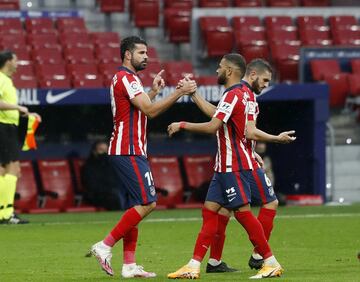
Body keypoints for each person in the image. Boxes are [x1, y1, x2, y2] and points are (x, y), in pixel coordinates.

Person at [167, 54, 296, 279]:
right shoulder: (244, 96)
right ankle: (194, 264)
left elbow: (213, 125)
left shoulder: (235, 94)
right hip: (227, 165)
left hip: (233, 165)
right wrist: (194, 94)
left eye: (219, 67)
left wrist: (182, 124)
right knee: (210, 211)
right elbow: (233, 124)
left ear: (228, 71)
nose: (216, 70)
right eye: (265, 81)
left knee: (242, 212)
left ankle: (269, 260)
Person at [87, 36, 197, 279]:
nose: (146, 56)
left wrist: (155, 91)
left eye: (146, 52)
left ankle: (129, 265)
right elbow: (150, 110)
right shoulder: (126, 78)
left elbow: (141, 107)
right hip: (128, 150)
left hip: (130, 149)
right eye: (141, 53)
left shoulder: (128, 79)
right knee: (148, 202)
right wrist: (179, 92)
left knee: (136, 204)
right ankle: (104, 245)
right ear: (127, 54)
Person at [0, 50, 41, 224]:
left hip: (9, 127)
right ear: (8, 61)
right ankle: (5, 213)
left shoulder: (8, 81)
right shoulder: (1, 79)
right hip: (3, 127)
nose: (18, 64)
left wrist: (26, 114)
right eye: (16, 60)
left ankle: (5, 212)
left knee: (7, 171)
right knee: (12, 170)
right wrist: (18, 108)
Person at [81, 140, 123, 210]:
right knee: (114, 197)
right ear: (94, 152)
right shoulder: (89, 166)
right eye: (101, 150)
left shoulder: (112, 165)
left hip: (113, 193)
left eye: (106, 150)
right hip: (96, 195)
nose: (104, 153)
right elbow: (91, 185)